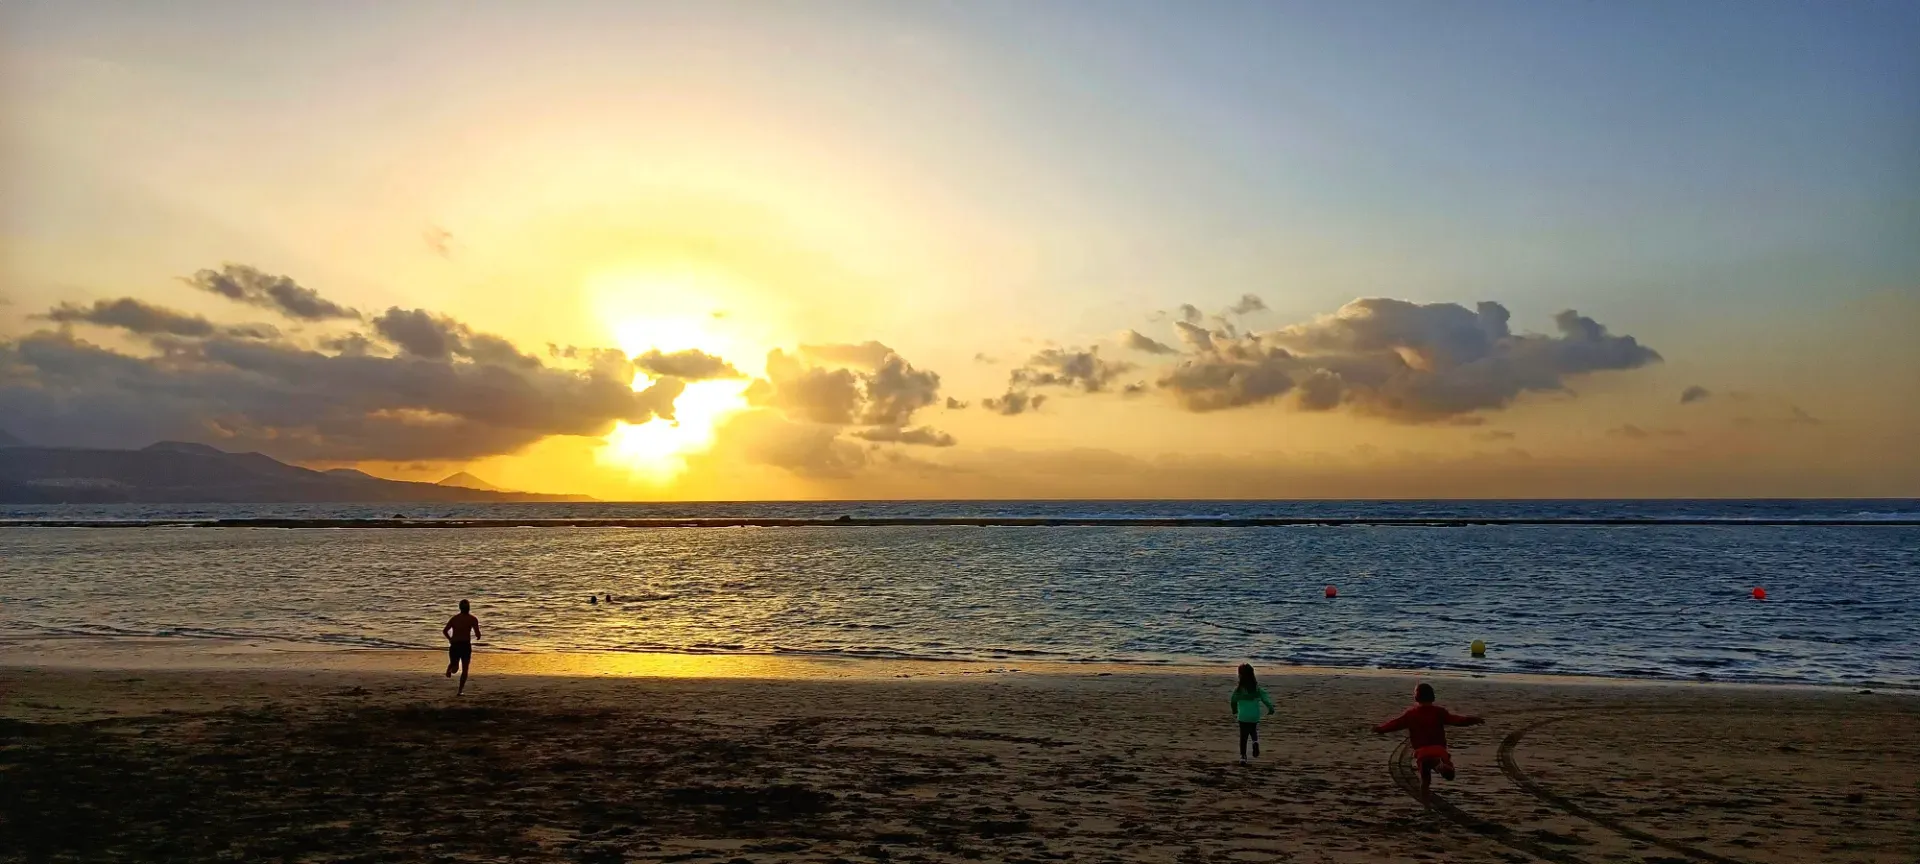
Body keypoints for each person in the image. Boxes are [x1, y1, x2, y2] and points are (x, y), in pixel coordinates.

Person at [1374, 682, 1484, 796]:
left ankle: (1426, 800)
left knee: (1425, 780)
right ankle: (1440, 765)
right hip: (1439, 750)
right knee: (1450, 775)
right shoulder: (1439, 712)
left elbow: (1395, 724)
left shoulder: (1411, 714)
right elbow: (1457, 720)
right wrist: (1473, 720)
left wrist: (1381, 729)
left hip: (1421, 752)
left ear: (1416, 697)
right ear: (1433, 696)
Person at [1229, 663, 1276, 764]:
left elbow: (1233, 701)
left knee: (1243, 736)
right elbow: (1266, 699)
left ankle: (1243, 757)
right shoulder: (1257, 689)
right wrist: (1270, 708)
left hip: (1243, 716)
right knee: (1253, 730)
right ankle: (1255, 742)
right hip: (1254, 715)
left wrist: (1234, 710)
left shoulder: (1238, 690)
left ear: (1240, 675)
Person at [442, 599, 482, 695]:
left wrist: (450, 639)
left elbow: (445, 631)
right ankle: (459, 690)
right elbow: (477, 633)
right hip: (464, 645)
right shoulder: (472, 619)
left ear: (460, 608)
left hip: (455, 645)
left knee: (456, 668)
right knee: (464, 669)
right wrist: (478, 636)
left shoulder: (455, 618)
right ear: (468, 608)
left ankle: (451, 669)